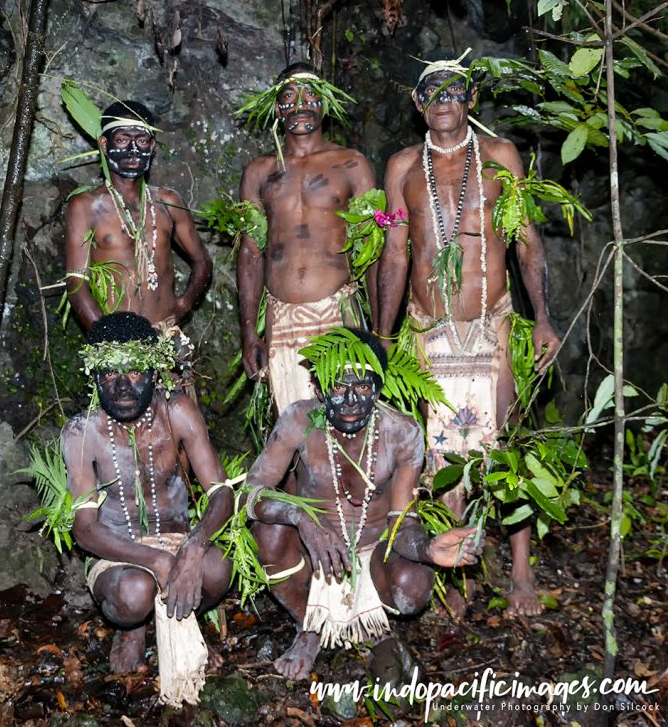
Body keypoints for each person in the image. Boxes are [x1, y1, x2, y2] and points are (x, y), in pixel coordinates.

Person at [377, 53, 561, 618]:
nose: (444, 100)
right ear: (418, 103)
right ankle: (457, 571)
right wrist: (383, 335)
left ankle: (522, 571)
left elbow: (525, 238)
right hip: (428, 329)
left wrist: (545, 318)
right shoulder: (402, 166)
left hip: (493, 323)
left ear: (472, 99)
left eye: (455, 90)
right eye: (433, 91)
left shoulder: (501, 157)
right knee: (436, 455)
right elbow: (394, 249)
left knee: (504, 448)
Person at [244, 329, 481, 679]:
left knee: (413, 583)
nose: (352, 400)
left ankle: (373, 622)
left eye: (364, 387)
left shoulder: (402, 432)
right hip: (316, 553)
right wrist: (302, 519)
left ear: (379, 388)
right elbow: (251, 494)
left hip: (375, 550)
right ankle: (309, 628)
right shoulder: (299, 420)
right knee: (268, 534)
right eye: (339, 387)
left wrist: (429, 549)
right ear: (320, 389)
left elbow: (402, 524)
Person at [61, 311, 231, 705]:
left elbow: (222, 492)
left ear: (154, 372)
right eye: (109, 374)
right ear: (95, 377)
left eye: (135, 371)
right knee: (135, 593)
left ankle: (182, 622)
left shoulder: (178, 413)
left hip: (178, 539)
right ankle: (134, 627)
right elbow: (85, 529)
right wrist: (155, 561)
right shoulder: (82, 432)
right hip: (118, 554)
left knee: (218, 568)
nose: (122, 386)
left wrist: (192, 547)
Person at [237, 63, 377, 413]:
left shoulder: (351, 164)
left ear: (325, 104)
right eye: (288, 96)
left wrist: (378, 330)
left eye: (311, 94)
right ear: (275, 107)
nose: (300, 103)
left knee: (347, 424)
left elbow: (373, 250)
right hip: (282, 320)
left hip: (338, 313)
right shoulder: (260, 172)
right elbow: (251, 254)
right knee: (293, 430)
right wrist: (249, 333)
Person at [65, 100, 212, 333]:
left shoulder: (168, 202)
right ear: (104, 144)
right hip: (116, 342)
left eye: (142, 141)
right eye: (122, 140)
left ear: (152, 146)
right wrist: (108, 338)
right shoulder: (86, 206)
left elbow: (202, 261)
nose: (133, 150)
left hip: (165, 334)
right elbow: (76, 281)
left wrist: (183, 305)